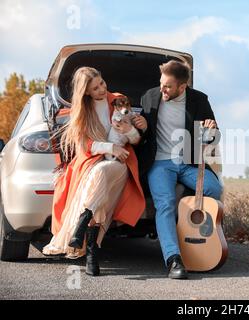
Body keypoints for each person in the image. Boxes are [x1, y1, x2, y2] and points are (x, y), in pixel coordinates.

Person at [42, 67, 146, 276]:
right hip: (91, 162)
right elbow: (84, 145)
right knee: (97, 183)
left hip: (120, 163)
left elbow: (135, 140)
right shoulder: (82, 111)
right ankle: (92, 253)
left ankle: (82, 225)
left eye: (102, 83)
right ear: (86, 92)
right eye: (95, 88)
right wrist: (110, 147)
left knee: (101, 174)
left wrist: (131, 131)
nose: (102, 89)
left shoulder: (118, 100)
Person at [135, 60, 223, 280]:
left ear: (182, 87)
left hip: (188, 162)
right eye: (161, 84)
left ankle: (197, 237)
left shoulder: (198, 100)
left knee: (214, 189)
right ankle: (173, 259)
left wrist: (211, 131)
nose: (162, 90)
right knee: (164, 204)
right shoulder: (150, 96)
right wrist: (143, 128)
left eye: (168, 87)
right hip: (160, 163)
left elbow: (213, 137)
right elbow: (142, 135)